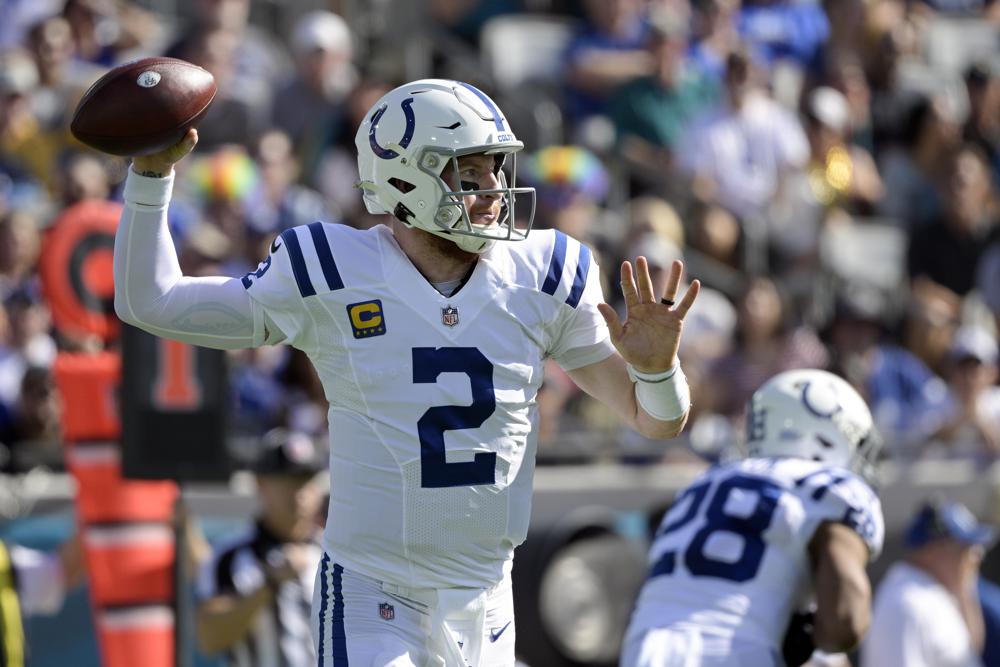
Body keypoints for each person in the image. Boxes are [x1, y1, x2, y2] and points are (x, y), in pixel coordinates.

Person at [112, 78, 699, 666]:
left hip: (488, 599)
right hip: (375, 593)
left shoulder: (545, 271)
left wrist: (656, 371)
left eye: (496, 170)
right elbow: (151, 301)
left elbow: (655, 422)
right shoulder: (331, 271)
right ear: (404, 181)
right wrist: (151, 178)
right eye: (470, 174)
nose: (494, 191)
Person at [622, 368, 884, 666]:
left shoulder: (703, 484)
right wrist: (809, 639)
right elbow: (845, 624)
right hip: (735, 650)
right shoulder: (826, 488)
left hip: (645, 650)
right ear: (830, 435)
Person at [196, 427, 326, 666]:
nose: (299, 493)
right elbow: (209, 637)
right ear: (261, 484)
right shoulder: (229, 556)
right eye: (287, 481)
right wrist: (269, 584)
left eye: (306, 480)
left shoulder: (336, 554)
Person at [862, 498, 994, 667]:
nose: (975, 558)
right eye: (964, 549)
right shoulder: (906, 603)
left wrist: (965, 591)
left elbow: (971, 650)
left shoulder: (934, 591)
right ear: (933, 549)